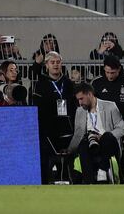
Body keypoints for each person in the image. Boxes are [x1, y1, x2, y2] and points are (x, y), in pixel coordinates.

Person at [32, 51, 77, 184]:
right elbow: (37, 107)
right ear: (46, 65)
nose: (56, 65)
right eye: (52, 62)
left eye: (58, 62)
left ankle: (70, 181)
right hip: (48, 129)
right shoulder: (41, 84)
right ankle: (46, 183)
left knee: (68, 159)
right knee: (48, 159)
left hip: (67, 128)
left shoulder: (68, 83)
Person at [65, 83, 124, 184]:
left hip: (108, 143)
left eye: (81, 99)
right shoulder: (79, 111)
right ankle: (89, 181)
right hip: (90, 143)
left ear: (90, 94)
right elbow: (78, 135)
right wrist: (69, 150)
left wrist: (101, 137)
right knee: (83, 145)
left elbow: (121, 129)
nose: (80, 103)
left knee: (107, 136)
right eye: (78, 100)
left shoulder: (110, 106)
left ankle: (103, 169)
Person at [91, 55, 124, 120]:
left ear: (119, 69)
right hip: (103, 121)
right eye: (107, 72)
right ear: (104, 68)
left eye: (112, 73)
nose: (110, 76)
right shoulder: (96, 82)